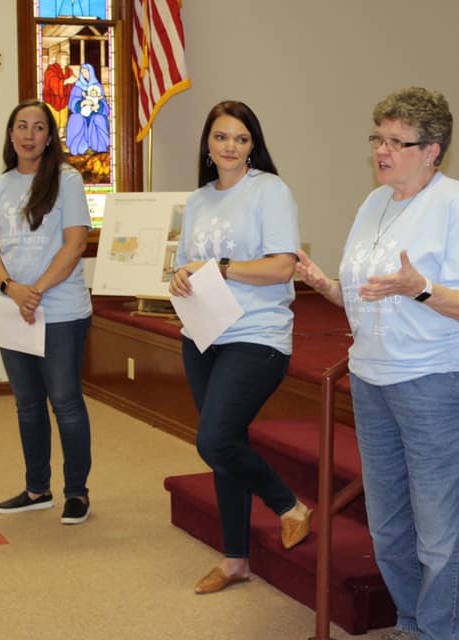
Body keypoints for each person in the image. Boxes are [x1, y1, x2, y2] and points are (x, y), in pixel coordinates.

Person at [295, 87, 459, 640]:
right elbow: (367, 296)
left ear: (432, 150)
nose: (382, 151)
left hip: (439, 379)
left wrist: (421, 287)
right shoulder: (375, 202)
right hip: (373, 378)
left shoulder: (457, 205)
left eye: (397, 142)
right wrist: (326, 286)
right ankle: (412, 623)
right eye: (378, 139)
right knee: (388, 528)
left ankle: (438, 633)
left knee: (440, 530)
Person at [169, 100, 313, 595]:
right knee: (227, 446)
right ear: (207, 144)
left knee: (214, 439)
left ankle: (289, 506)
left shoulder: (269, 191)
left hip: (257, 334)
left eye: (241, 138)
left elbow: (280, 265)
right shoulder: (197, 200)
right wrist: (181, 277)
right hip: (203, 334)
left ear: (254, 146)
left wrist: (222, 268)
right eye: (221, 137)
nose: (229, 146)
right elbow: (188, 265)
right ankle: (235, 562)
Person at [0, 100, 94, 525]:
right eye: (21, 127)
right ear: (11, 135)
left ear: (50, 137)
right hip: (14, 307)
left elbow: (76, 243)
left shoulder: (67, 180)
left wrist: (38, 290)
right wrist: (14, 290)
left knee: (65, 401)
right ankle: (36, 489)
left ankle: (77, 492)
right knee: (28, 404)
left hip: (60, 310)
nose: (29, 134)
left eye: (39, 127)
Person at [66, 64, 110, 155]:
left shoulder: (98, 86)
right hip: (82, 114)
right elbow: (72, 103)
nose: (84, 74)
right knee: (75, 119)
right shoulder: (77, 87)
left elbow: (104, 104)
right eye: (82, 72)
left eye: (86, 71)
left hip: (95, 113)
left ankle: (99, 150)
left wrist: (98, 107)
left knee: (99, 119)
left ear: (91, 72)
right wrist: (81, 103)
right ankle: (78, 150)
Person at [43, 51, 76, 139]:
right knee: (53, 118)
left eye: (67, 58)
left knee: (63, 118)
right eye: (64, 58)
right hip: (52, 99)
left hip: (64, 99)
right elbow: (52, 81)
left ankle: (61, 133)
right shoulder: (51, 69)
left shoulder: (69, 70)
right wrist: (66, 81)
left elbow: (72, 83)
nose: (66, 60)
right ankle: (52, 136)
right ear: (58, 59)